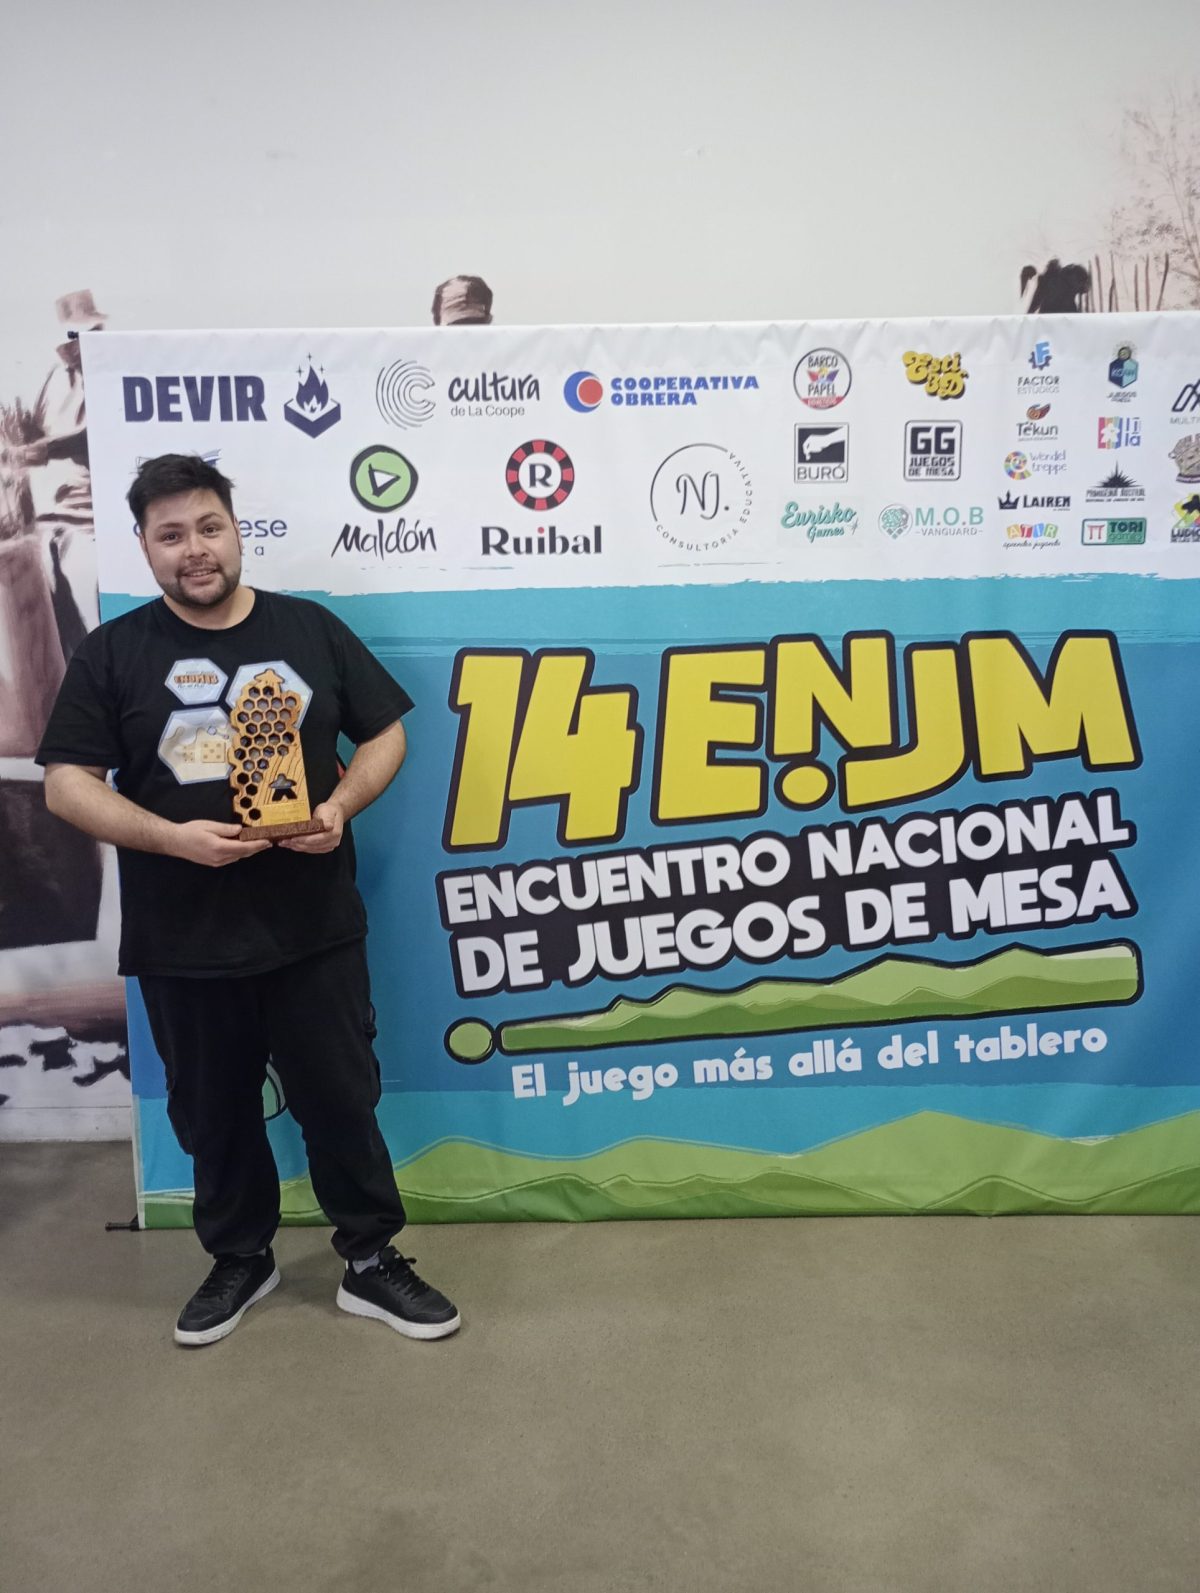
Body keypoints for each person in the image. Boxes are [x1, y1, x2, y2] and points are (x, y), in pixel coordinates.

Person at [36, 453, 460, 1347]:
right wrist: (170, 837)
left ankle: (371, 1258)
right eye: (171, 534)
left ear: (236, 530)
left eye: (209, 526)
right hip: (182, 938)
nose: (195, 548)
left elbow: (384, 733)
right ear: (145, 547)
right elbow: (66, 784)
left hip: (313, 927)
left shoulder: (310, 628)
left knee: (341, 1099)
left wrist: (340, 806)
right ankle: (241, 1256)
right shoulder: (113, 652)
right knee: (214, 1112)